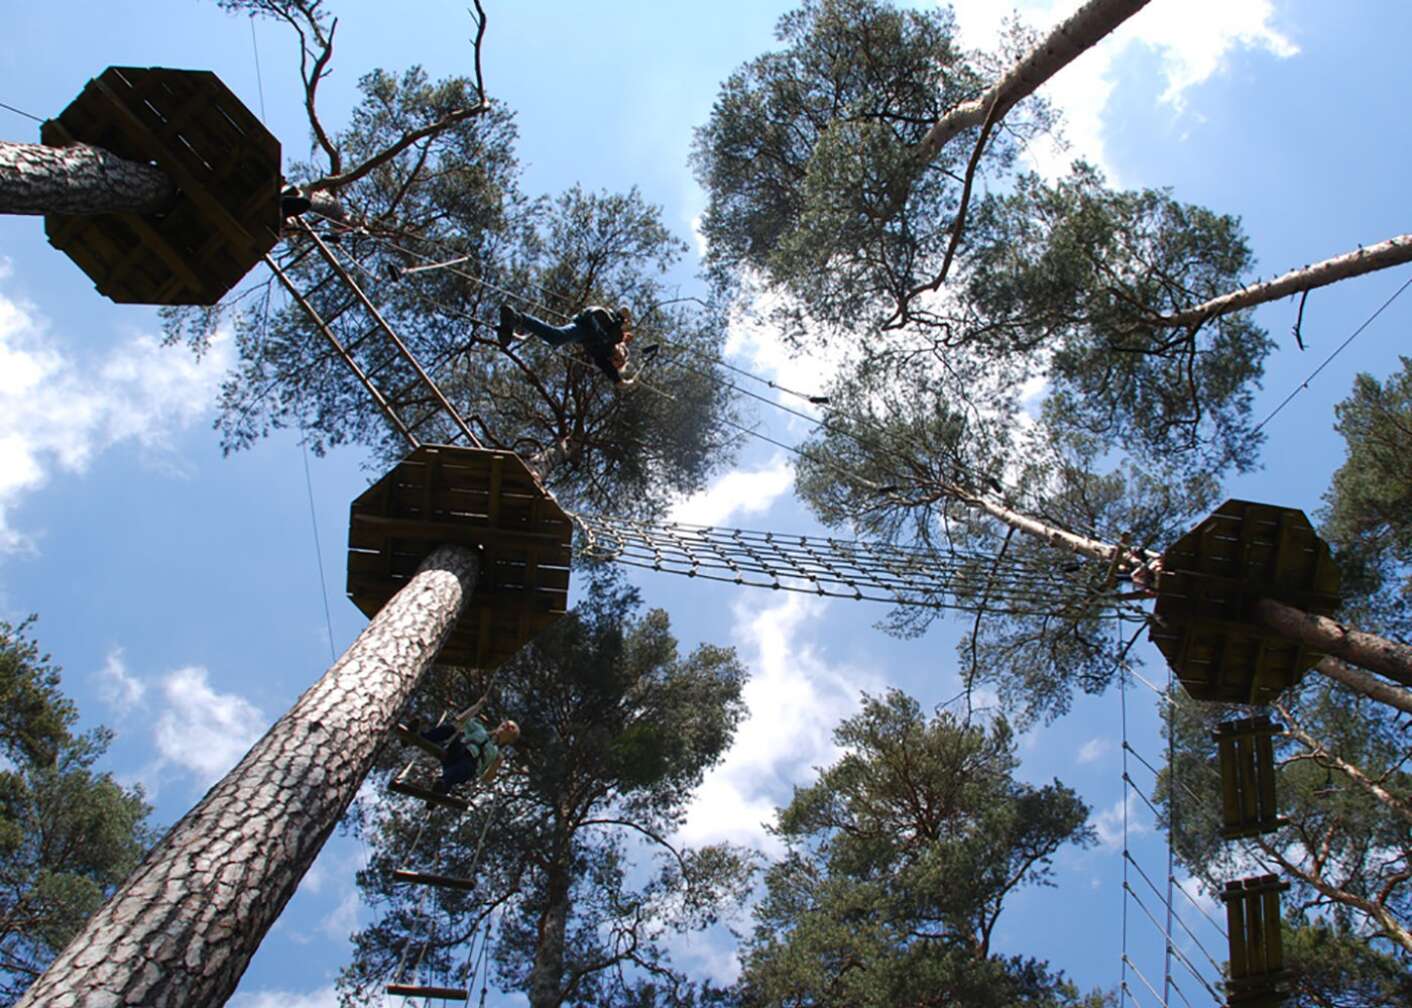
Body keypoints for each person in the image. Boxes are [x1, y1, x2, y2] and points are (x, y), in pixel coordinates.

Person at [496, 303, 639, 386]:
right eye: (619, 359)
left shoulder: (603, 353)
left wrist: (618, 380)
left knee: (555, 337)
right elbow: (620, 320)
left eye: (616, 363)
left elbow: (604, 365)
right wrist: (622, 331)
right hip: (588, 325)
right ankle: (516, 319)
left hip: (586, 330)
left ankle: (513, 320)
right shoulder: (614, 338)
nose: (616, 361)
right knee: (557, 337)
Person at [410, 700, 519, 795]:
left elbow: (485, 779)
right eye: (506, 723)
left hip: (467, 766)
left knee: (467, 768)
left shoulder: (496, 754)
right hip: (457, 752)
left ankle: (441, 786)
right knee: (453, 729)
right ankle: (420, 737)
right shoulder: (480, 730)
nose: (507, 726)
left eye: (511, 728)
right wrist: (477, 706)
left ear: (510, 739)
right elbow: (460, 720)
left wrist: (497, 764)